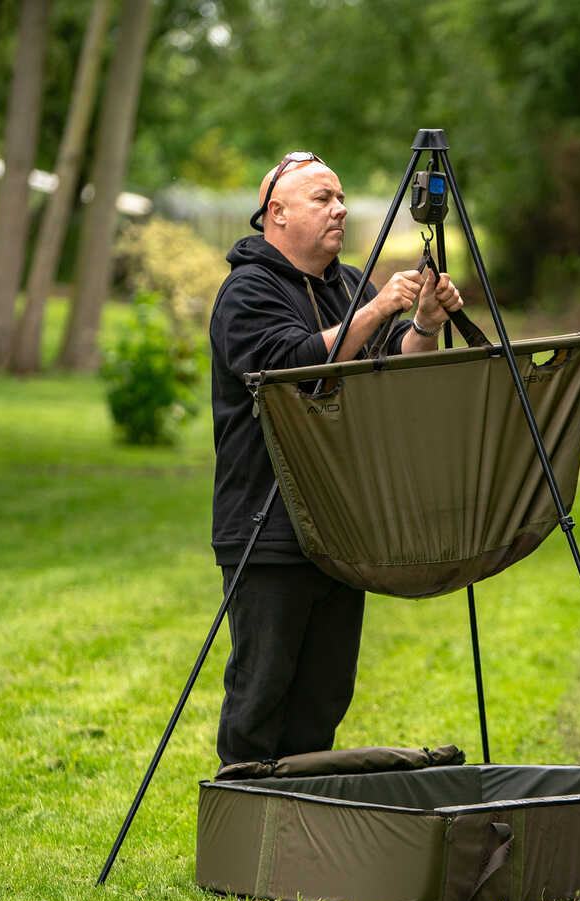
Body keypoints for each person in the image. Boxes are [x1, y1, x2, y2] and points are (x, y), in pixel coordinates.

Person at [209, 151, 463, 766]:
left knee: (323, 698)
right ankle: (243, 834)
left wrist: (423, 324)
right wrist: (379, 308)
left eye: (341, 197)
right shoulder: (247, 291)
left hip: (343, 522)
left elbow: (390, 369)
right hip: (267, 527)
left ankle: (302, 836)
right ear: (277, 214)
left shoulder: (350, 285)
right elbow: (289, 366)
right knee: (261, 694)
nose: (340, 209)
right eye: (323, 199)